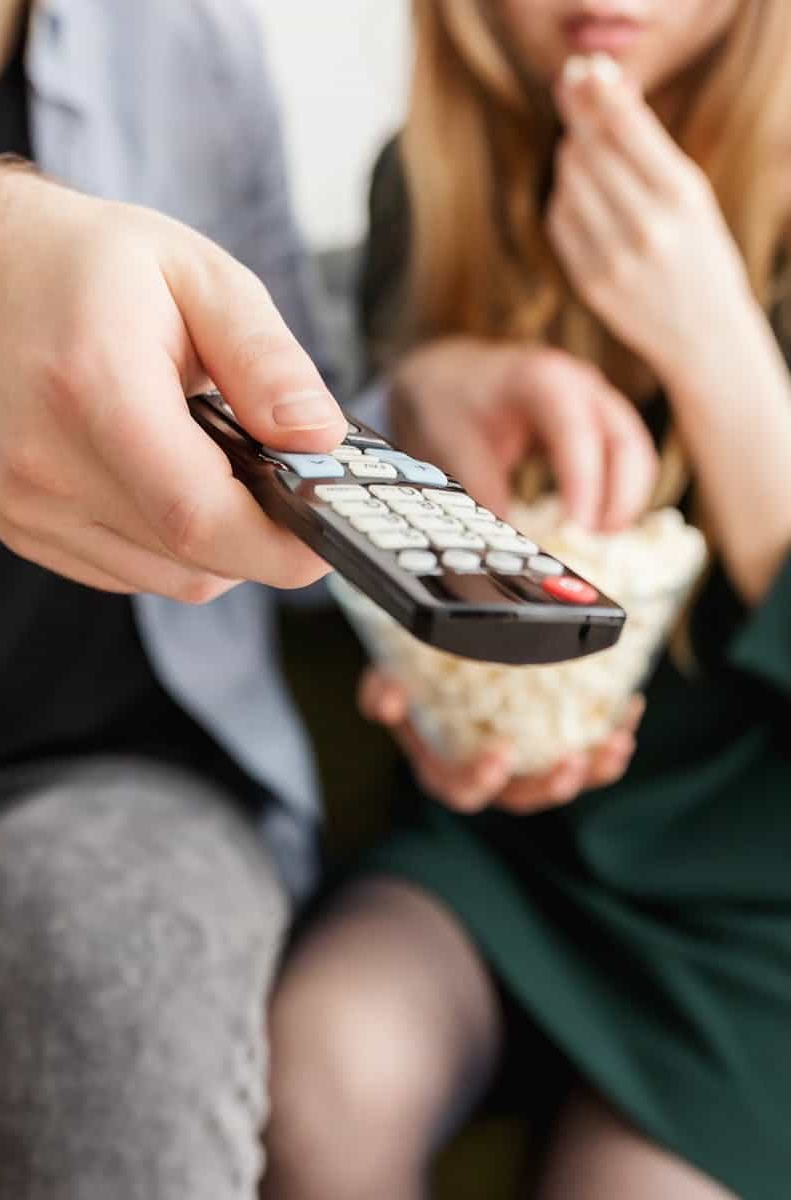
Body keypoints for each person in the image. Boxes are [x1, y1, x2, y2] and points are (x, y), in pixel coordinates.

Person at [265, 2, 791, 1198]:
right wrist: (449, 711)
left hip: (764, 910)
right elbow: (436, 617)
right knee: (320, 1069)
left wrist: (715, 351)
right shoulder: (432, 181)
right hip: (507, 858)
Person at [0, 1, 349, 1197]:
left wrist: (426, 389)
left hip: (119, 766)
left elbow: (296, 403)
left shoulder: (188, 34)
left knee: (119, 976)